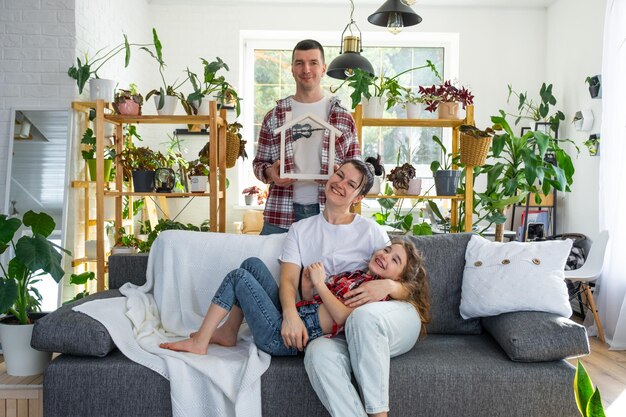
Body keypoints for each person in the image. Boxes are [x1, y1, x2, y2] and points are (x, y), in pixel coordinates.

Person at [278, 159, 426, 417]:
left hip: (380, 320)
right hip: (340, 328)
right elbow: (289, 280)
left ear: (358, 197)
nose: (340, 184)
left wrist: (388, 285)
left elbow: (407, 282)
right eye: (339, 175)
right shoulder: (300, 230)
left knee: (362, 317)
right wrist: (290, 314)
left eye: (351, 184)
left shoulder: (370, 231)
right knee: (317, 353)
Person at [158, 237, 426, 357]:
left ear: (398, 278)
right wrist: (310, 287)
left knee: (238, 278)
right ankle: (228, 332)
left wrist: (320, 286)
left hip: (283, 339)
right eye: (387, 248)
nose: (385, 255)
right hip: (293, 319)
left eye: (394, 260)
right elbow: (316, 304)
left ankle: (200, 342)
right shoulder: (358, 275)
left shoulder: (376, 293)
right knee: (251, 264)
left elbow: (345, 318)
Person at [252, 39, 361, 235]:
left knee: (322, 268)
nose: (306, 69)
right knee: (266, 265)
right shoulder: (274, 115)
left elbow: (357, 169)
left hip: (329, 215)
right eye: (299, 63)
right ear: (292, 69)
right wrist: (271, 174)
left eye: (313, 62)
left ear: (323, 68)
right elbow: (259, 164)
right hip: (280, 213)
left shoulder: (343, 117)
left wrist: (339, 176)